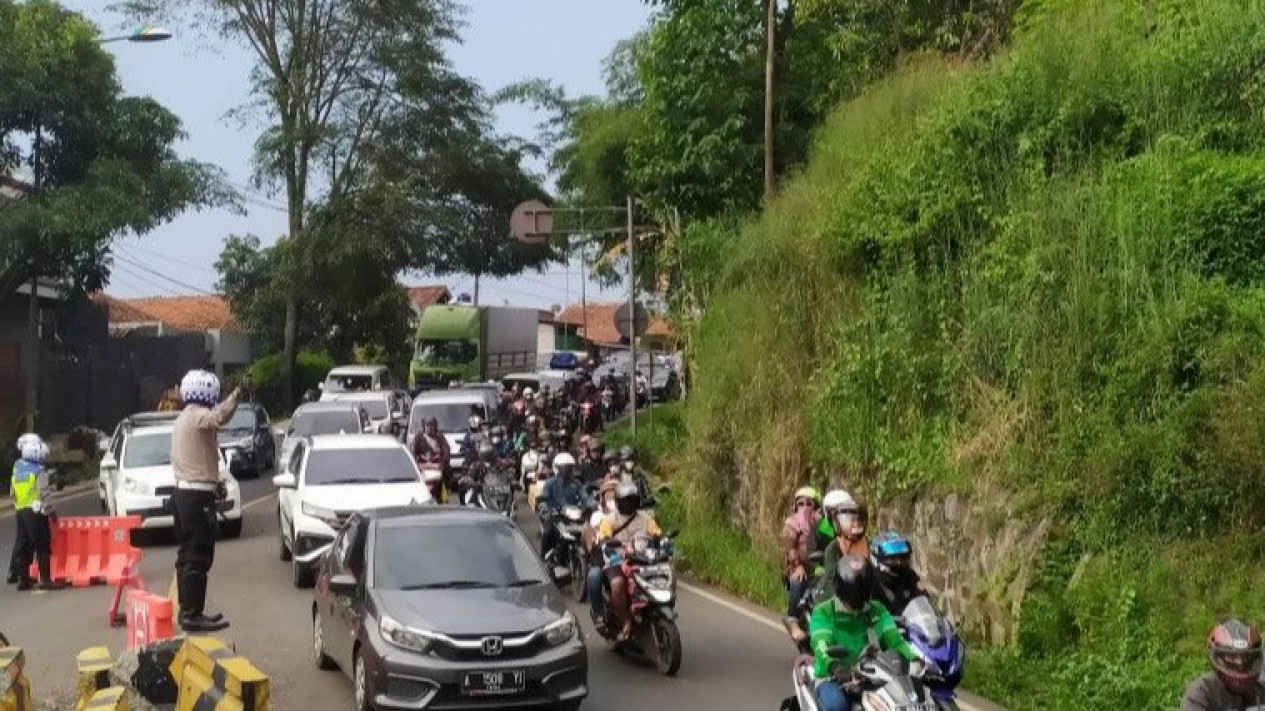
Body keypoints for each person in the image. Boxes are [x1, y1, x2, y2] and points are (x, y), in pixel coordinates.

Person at [171, 369, 241, 633]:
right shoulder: (198, 416)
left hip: (185, 493)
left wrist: (218, 483)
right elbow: (218, 417)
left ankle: (188, 609)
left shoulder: (182, 420)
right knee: (198, 555)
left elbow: (202, 458)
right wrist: (235, 397)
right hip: (195, 496)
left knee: (187, 554)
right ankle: (192, 613)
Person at [810, 556, 921, 711]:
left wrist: (915, 659)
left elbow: (895, 641)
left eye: (863, 587)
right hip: (832, 678)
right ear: (842, 587)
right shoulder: (823, 612)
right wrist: (835, 666)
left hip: (873, 678)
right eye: (855, 588)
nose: (859, 595)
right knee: (837, 706)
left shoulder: (877, 609)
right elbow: (821, 645)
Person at [596, 481, 662, 642]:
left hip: (643, 558)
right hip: (617, 560)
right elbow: (604, 537)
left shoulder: (645, 518)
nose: (629, 504)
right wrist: (609, 545)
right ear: (619, 502)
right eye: (626, 501)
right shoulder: (610, 519)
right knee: (617, 584)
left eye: (633, 500)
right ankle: (626, 620)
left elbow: (657, 532)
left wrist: (664, 541)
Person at [7, 436, 67, 591]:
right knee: (42, 546)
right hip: (36, 512)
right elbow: (44, 494)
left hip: (20, 511)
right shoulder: (38, 471)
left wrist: (20, 504)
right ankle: (46, 580)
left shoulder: (17, 466)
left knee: (25, 545)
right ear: (36, 454)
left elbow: (12, 493)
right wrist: (52, 512)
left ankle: (23, 580)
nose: (43, 458)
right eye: (41, 455)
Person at [1182, 619, 1265, 710]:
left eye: (1245, 657)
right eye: (1231, 657)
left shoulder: (1260, 690)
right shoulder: (1201, 693)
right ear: (1219, 658)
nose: (1240, 663)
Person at [782, 486, 822, 643]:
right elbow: (788, 546)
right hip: (798, 568)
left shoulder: (822, 524)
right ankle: (793, 620)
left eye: (809, 503)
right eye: (801, 503)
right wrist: (798, 564)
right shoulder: (792, 523)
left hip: (820, 567)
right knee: (797, 580)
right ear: (795, 506)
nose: (805, 507)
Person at [539, 453, 587, 561]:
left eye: (568, 468)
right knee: (547, 533)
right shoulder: (550, 483)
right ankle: (542, 558)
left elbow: (585, 496)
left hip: (572, 517)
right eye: (563, 468)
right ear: (557, 468)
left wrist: (591, 505)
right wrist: (548, 508)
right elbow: (545, 499)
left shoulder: (576, 483)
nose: (566, 471)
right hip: (555, 516)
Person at [820, 497, 871, 600]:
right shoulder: (833, 548)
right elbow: (831, 578)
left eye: (859, 521)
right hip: (840, 594)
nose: (855, 525)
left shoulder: (870, 545)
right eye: (850, 521)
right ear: (838, 523)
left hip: (867, 593)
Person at [584, 479, 619, 629]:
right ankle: (598, 612)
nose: (613, 499)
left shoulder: (630, 514)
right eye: (609, 496)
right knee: (594, 576)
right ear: (602, 498)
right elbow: (597, 535)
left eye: (616, 495)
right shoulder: (597, 516)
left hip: (627, 556)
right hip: (603, 558)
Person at [869, 531, 926, 617]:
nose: (899, 562)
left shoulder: (909, 575)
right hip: (884, 627)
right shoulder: (871, 582)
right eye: (893, 558)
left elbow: (923, 599)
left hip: (911, 626)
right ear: (878, 559)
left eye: (903, 557)